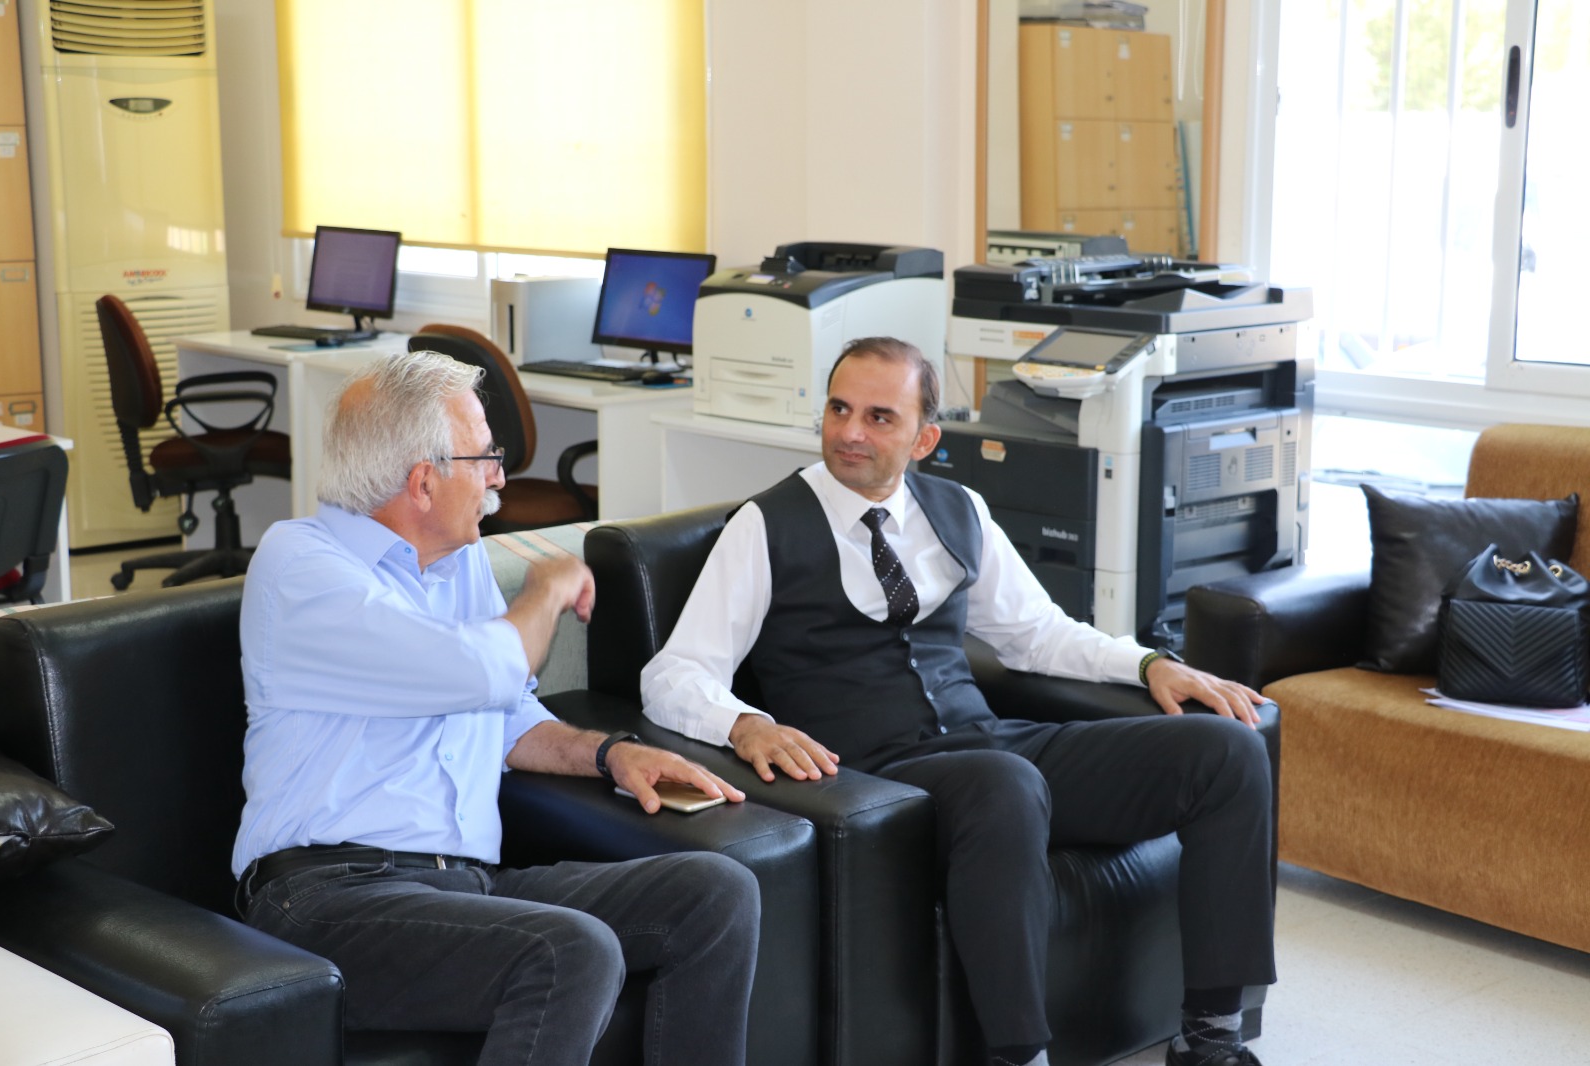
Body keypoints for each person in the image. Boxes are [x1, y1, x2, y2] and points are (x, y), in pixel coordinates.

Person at [641, 336, 1276, 1066]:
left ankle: (1211, 1038)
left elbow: (1036, 634)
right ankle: (1018, 1056)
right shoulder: (765, 525)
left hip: (991, 746)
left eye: (880, 417)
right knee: (1003, 781)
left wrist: (1147, 664)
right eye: (839, 409)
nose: (850, 432)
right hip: (876, 778)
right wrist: (743, 723)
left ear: (925, 438)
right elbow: (672, 674)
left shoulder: (958, 509)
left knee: (1226, 750)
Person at [232, 350, 760, 1066]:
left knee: (715, 893)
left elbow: (507, 711)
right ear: (424, 481)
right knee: (570, 950)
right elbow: (480, 670)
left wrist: (611, 754)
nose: (499, 479)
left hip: (465, 885)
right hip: (327, 898)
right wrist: (544, 589)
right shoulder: (301, 564)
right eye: (485, 457)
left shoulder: (459, 561)